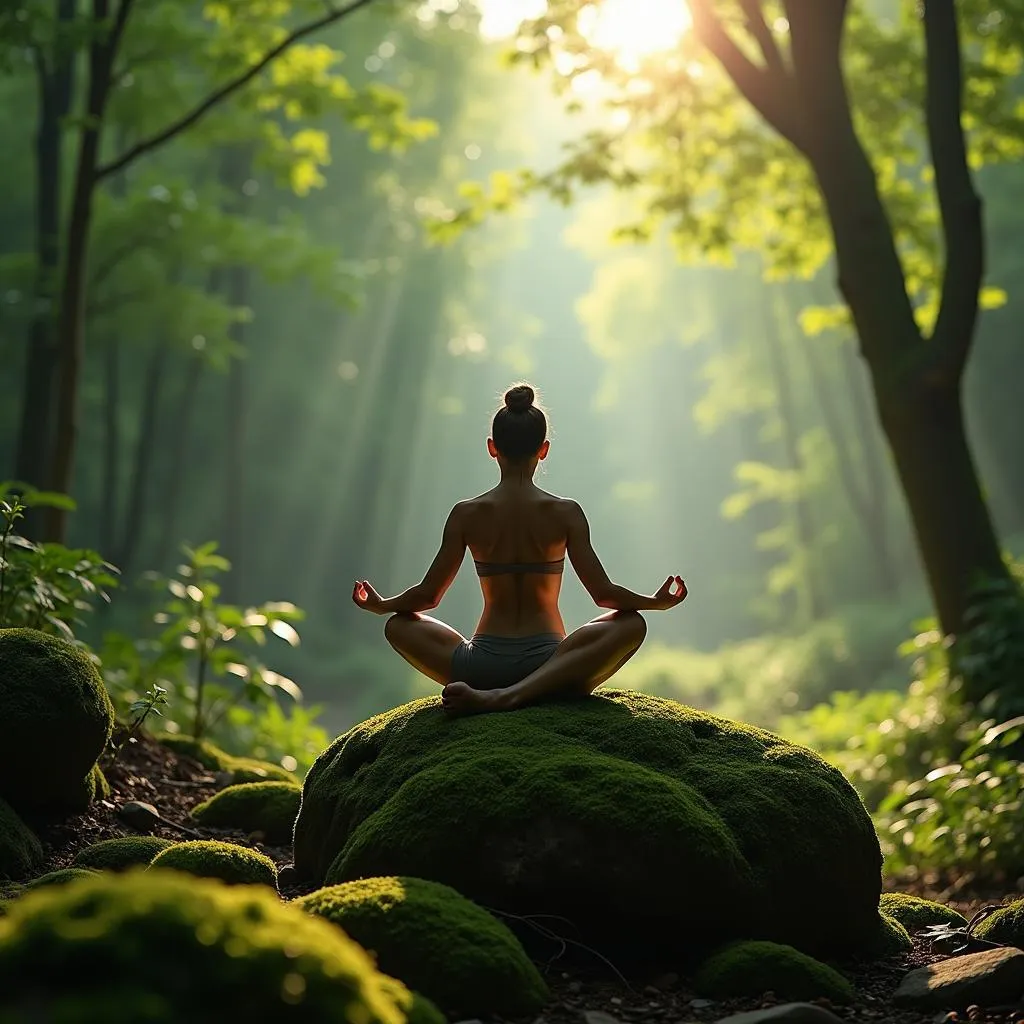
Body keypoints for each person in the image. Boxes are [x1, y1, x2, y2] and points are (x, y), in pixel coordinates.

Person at [352, 382, 688, 715]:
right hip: (551, 665)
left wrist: (383, 605)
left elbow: (428, 596)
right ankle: (526, 693)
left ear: (492, 447)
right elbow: (604, 595)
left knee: (397, 625)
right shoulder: (565, 513)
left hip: (481, 669)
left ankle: (499, 695)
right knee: (632, 624)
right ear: (543, 449)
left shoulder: (466, 514)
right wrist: (654, 603)